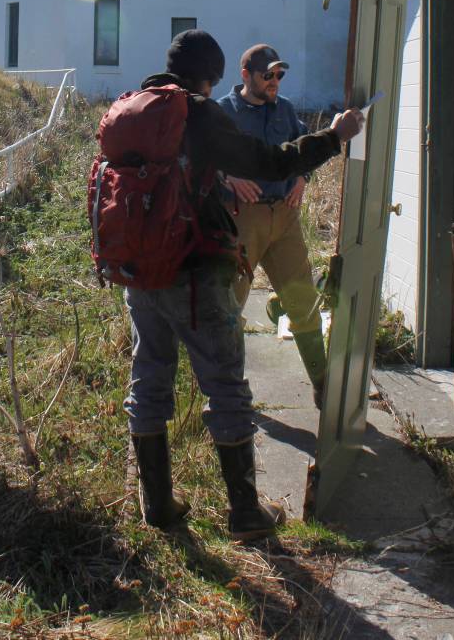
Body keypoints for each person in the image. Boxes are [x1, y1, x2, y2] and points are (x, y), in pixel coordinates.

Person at [123, 31, 363, 540]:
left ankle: (158, 506)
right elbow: (268, 162)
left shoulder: (131, 108)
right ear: (212, 74)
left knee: (148, 379)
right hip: (193, 271)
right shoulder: (199, 112)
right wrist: (333, 138)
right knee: (227, 386)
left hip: (139, 272)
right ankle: (246, 514)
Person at [217, 44, 329, 409]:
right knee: (230, 306)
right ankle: (229, 392)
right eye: (268, 75)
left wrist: (303, 177)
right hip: (241, 221)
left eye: (280, 75)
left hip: (284, 219)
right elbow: (194, 159)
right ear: (245, 75)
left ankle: (323, 384)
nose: (275, 81)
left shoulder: (285, 111)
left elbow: (303, 148)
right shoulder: (222, 113)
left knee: (303, 300)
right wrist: (227, 177)